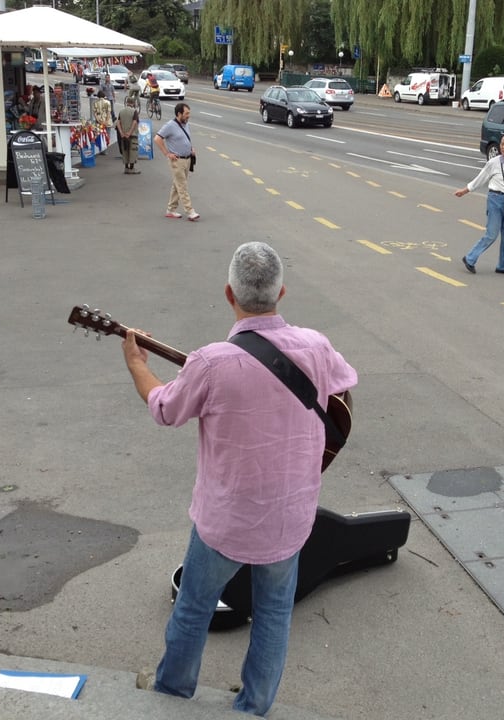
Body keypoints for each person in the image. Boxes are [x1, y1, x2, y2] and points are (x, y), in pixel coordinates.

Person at [120, 241, 357, 718]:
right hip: (291, 518)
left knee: (193, 609)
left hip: (225, 523)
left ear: (229, 293)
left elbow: (165, 409)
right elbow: (343, 387)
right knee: (273, 614)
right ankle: (253, 706)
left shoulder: (211, 363)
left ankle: (174, 695)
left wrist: (137, 364)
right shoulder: (317, 346)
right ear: (282, 292)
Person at [454, 133, 504, 276]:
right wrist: (465, 190)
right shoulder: (493, 163)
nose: (503, 147)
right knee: (492, 234)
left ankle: (503, 265)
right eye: (502, 144)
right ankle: (470, 258)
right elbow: (480, 179)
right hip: (495, 199)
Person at [154, 102, 199, 221]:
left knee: (177, 184)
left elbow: (185, 138)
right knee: (182, 185)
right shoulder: (170, 125)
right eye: (186, 114)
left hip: (187, 159)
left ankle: (171, 209)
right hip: (177, 160)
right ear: (179, 114)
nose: (188, 116)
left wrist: (190, 148)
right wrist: (167, 153)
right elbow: (157, 138)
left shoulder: (186, 124)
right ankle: (190, 211)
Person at [116, 96, 140, 174]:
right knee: (133, 151)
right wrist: (129, 132)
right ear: (133, 103)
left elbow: (118, 122)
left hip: (123, 135)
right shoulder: (134, 111)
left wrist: (122, 133)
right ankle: (132, 168)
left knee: (125, 150)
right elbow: (134, 122)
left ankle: (126, 168)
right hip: (132, 135)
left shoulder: (121, 111)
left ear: (127, 103)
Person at [93, 90, 113, 155]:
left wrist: (99, 121)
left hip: (99, 121)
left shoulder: (95, 103)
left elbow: (95, 113)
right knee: (107, 135)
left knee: (100, 135)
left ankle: (100, 149)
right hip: (107, 122)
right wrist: (106, 121)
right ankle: (105, 149)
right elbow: (109, 112)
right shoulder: (108, 102)